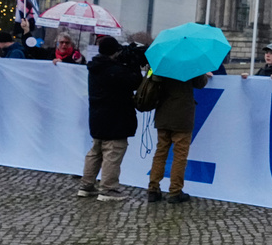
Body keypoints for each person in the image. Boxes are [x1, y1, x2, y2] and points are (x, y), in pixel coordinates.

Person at [78, 36, 142, 201]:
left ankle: (86, 185)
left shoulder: (96, 67)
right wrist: (134, 65)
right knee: (112, 153)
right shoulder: (114, 70)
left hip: (98, 117)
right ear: (114, 52)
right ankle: (108, 189)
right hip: (116, 118)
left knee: (96, 151)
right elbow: (135, 81)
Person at [147, 71, 211, 204]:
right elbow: (200, 84)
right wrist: (202, 72)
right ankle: (175, 191)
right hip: (182, 115)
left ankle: (153, 189)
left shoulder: (162, 64)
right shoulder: (189, 63)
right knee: (180, 155)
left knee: (160, 152)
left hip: (163, 113)